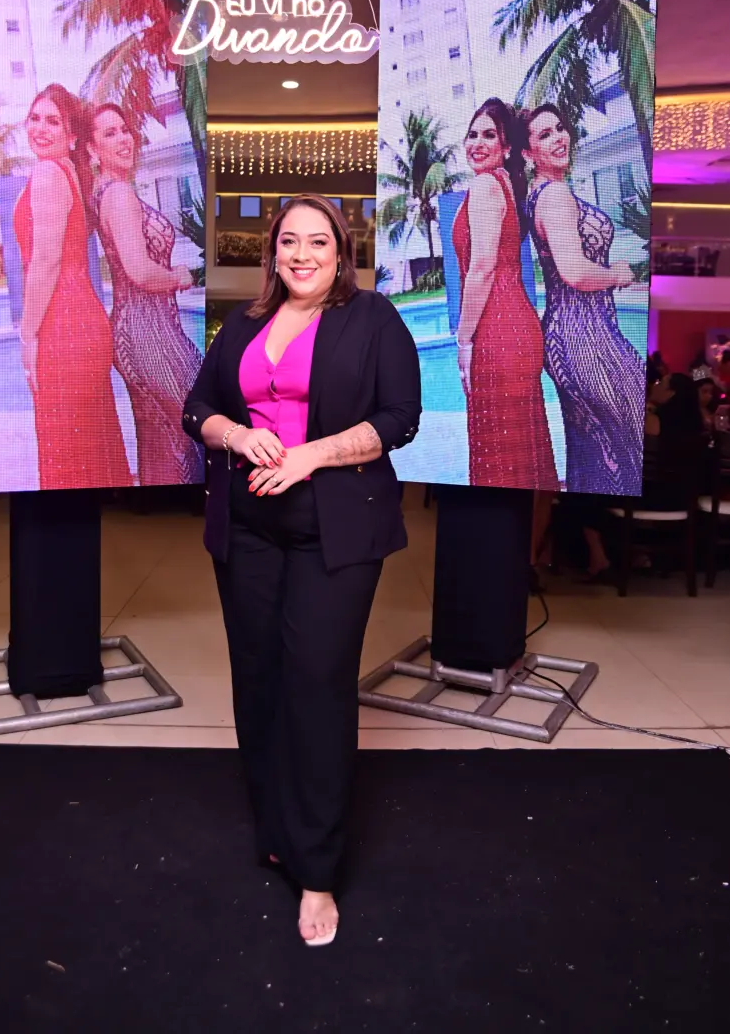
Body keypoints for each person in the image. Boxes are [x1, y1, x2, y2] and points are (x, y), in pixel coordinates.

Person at [182, 194, 421, 947]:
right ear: (273, 251)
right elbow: (196, 407)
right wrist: (235, 433)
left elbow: (400, 419)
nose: (302, 254)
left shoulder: (373, 318)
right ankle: (277, 833)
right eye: (290, 241)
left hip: (334, 531)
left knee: (316, 684)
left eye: (318, 241)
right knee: (258, 681)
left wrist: (310, 456)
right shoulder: (243, 324)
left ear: (340, 251)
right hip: (247, 530)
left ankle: (317, 872)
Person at [523, 103, 645, 495]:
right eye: (545, 135)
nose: (559, 138)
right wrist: (618, 274)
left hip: (572, 334)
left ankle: (590, 532)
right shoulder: (555, 195)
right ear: (527, 153)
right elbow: (575, 272)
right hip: (583, 337)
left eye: (560, 128)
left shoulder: (540, 194)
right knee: (630, 439)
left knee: (597, 450)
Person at [14, 84, 131, 489]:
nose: (40, 129)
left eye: (53, 121)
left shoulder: (49, 172)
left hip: (63, 329)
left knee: (66, 457)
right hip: (80, 322)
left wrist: (27, 335)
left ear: (72, 135)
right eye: (35, 118)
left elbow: (46, 261)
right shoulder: (68, 172)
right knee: (89, 454)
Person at [88, 103, 203, 486]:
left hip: (141, 330)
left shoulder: (108, 192)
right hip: (145, 332)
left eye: (124, 130)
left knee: (162, 438)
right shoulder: (119, 194)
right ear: (92, 149)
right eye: (110, 134)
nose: (124, 139)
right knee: (189, 428)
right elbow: (139, 271)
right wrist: (181, 276)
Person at [453, 98, 558, 491]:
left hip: (496, 333)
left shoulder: (485, 185)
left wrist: (464, 340)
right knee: (519, 455)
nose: (477, 143)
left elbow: (482, 267)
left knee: (498, 460)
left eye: (489, 135)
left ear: (507, 146)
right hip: (516, 327)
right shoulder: (505, 185)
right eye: (472, 134)